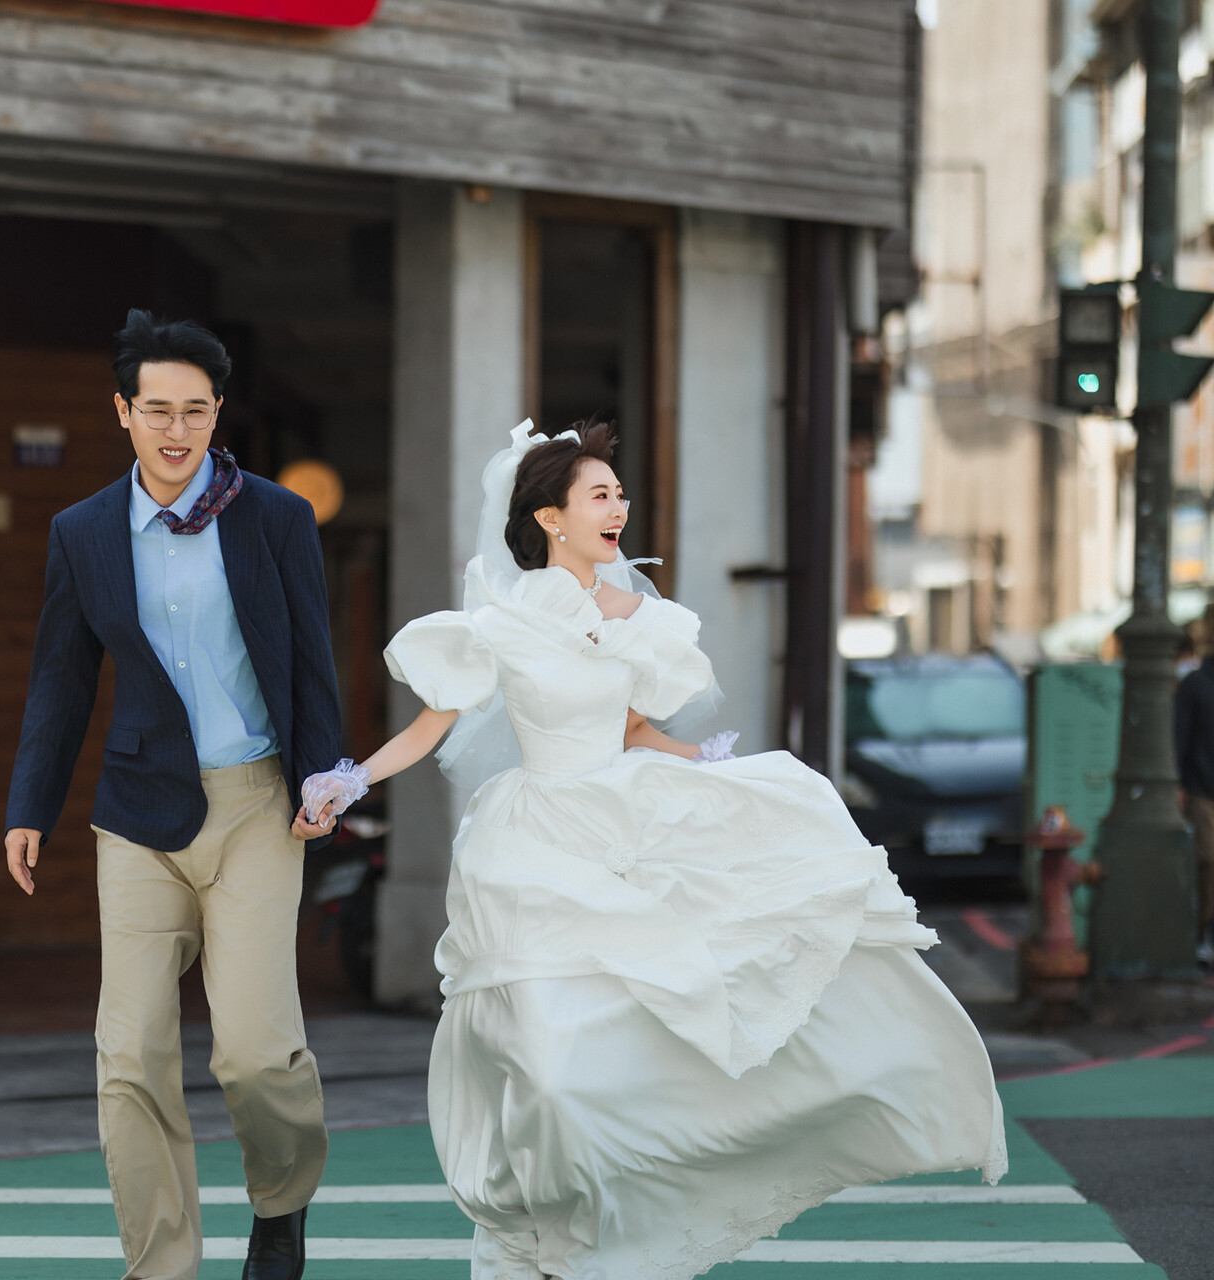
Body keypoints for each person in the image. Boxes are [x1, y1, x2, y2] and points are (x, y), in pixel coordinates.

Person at [299, 421, 1007, 1280]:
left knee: (650, 1027)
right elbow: (428, 727)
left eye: (620, 494)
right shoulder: (500, 623)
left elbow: (633, 727)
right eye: (600, 495)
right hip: (531, 843)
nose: (619, 510)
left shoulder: (641, 618)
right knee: (543, 1066)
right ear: (551, 518)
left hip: (626, 817)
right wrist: (351, 779)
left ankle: (610, 1220)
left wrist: (702, 761)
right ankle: (537, 1225)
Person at [4, 310, 344, 1280]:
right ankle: (161, 1265)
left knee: (255, 1052)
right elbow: (61, 679)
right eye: (157, 409)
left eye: (196, 410)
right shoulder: (84, 532)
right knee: (130, 1055)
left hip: (258, 807)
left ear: (217, 412)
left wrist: (321, 777)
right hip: (137, 816)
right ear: (123, 411)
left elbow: (312, 664)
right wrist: (29, 805)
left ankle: (280, 1204)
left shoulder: (274, 516)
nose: (176, 429)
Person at [1173, 636, 1214, 968]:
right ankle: (1204, 933)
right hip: (1203, 790)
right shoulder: (1196, 685)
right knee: (1208, 863)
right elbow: (1180, 737)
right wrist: (1180, 785)